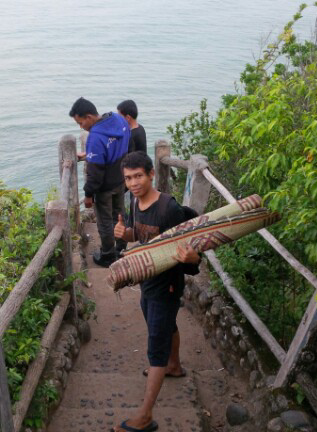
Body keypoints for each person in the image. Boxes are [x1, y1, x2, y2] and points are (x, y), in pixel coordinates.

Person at [113, 151, 200, 432]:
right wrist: (123, 234)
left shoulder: (169, 210)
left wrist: (193, 259)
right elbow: (139, 235)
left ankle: (146, 415)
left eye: (138, 176)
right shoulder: (134, 202)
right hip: (147, 282)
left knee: (155, 346)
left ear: (151, 174)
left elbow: (194, 251)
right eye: (128, 178)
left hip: (167, 285)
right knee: (162, 325)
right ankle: (174, 365)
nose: (134, 183)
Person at [69, 97, 130, 267]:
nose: (81, 127)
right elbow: (122, 144)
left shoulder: (95, 137)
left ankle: (108, 255)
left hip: (104, 187)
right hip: (122, 179)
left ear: (89, 117)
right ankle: (122, 248)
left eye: (80, 123)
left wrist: (88, 194)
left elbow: (95, 173)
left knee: (104, 221)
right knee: (119, 215)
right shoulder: (119, 120)